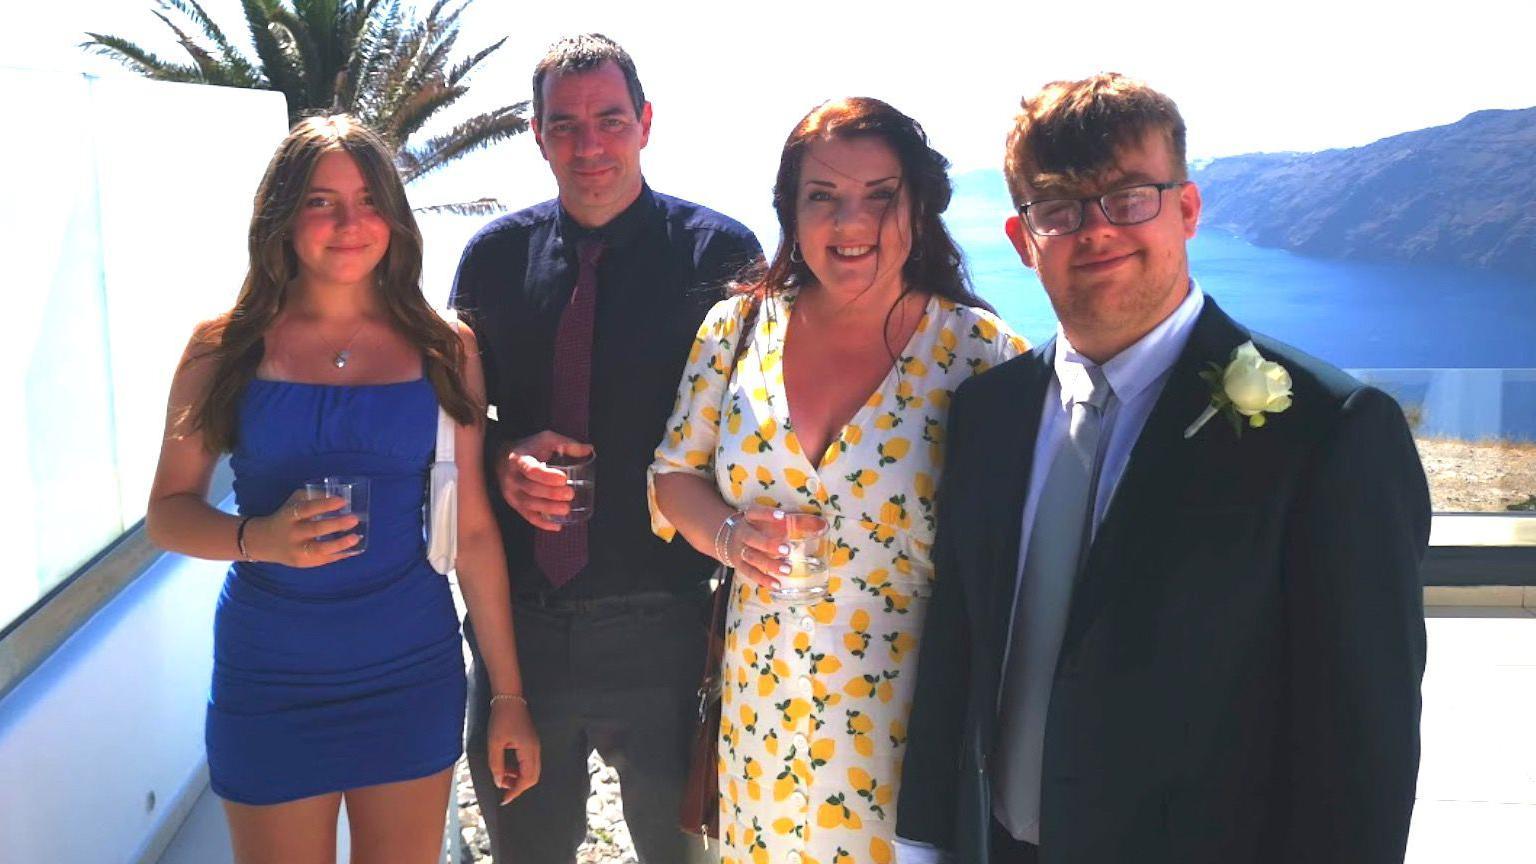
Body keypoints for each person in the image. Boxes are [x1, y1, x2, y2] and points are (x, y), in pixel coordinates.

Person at [895, 73, 1431, 864]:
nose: (1097, 230)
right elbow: (962, 643)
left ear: (1186, 209)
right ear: (1023, 238)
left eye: (1129, 196)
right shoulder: (988, 412)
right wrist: (926, 839)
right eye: (1059, 208)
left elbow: (1364, 738)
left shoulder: (1329, 430)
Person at [146, 115, 539, 863]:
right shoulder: (220, 346)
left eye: (367, 199)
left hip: (409, 669)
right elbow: (167, 516)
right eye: (322, 201)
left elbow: (476, 532)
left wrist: (509, 698)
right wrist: (254, 539)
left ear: (393, 214)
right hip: (270, 676)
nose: (349, 222)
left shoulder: (444, 346)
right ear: (283, 217)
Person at [650, 97, 1028, 864]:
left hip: (909, 726)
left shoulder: (981, 355)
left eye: (880, 196)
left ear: (920, 207)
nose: (850, 224)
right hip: (761, 716)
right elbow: (672, 477)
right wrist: (727, 536)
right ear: (791, 210)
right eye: (823, 196)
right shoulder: (737, 330)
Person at [448, 34, 762, 864]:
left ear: (646, 123)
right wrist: (503, 462)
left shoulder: (722, 257)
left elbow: (758, 438)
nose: (590, 146)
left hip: (668, 627)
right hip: (523, 635)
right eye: (566, 125)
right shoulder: (490, 261)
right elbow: (457, 434)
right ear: (537, 134)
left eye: (611, 120)